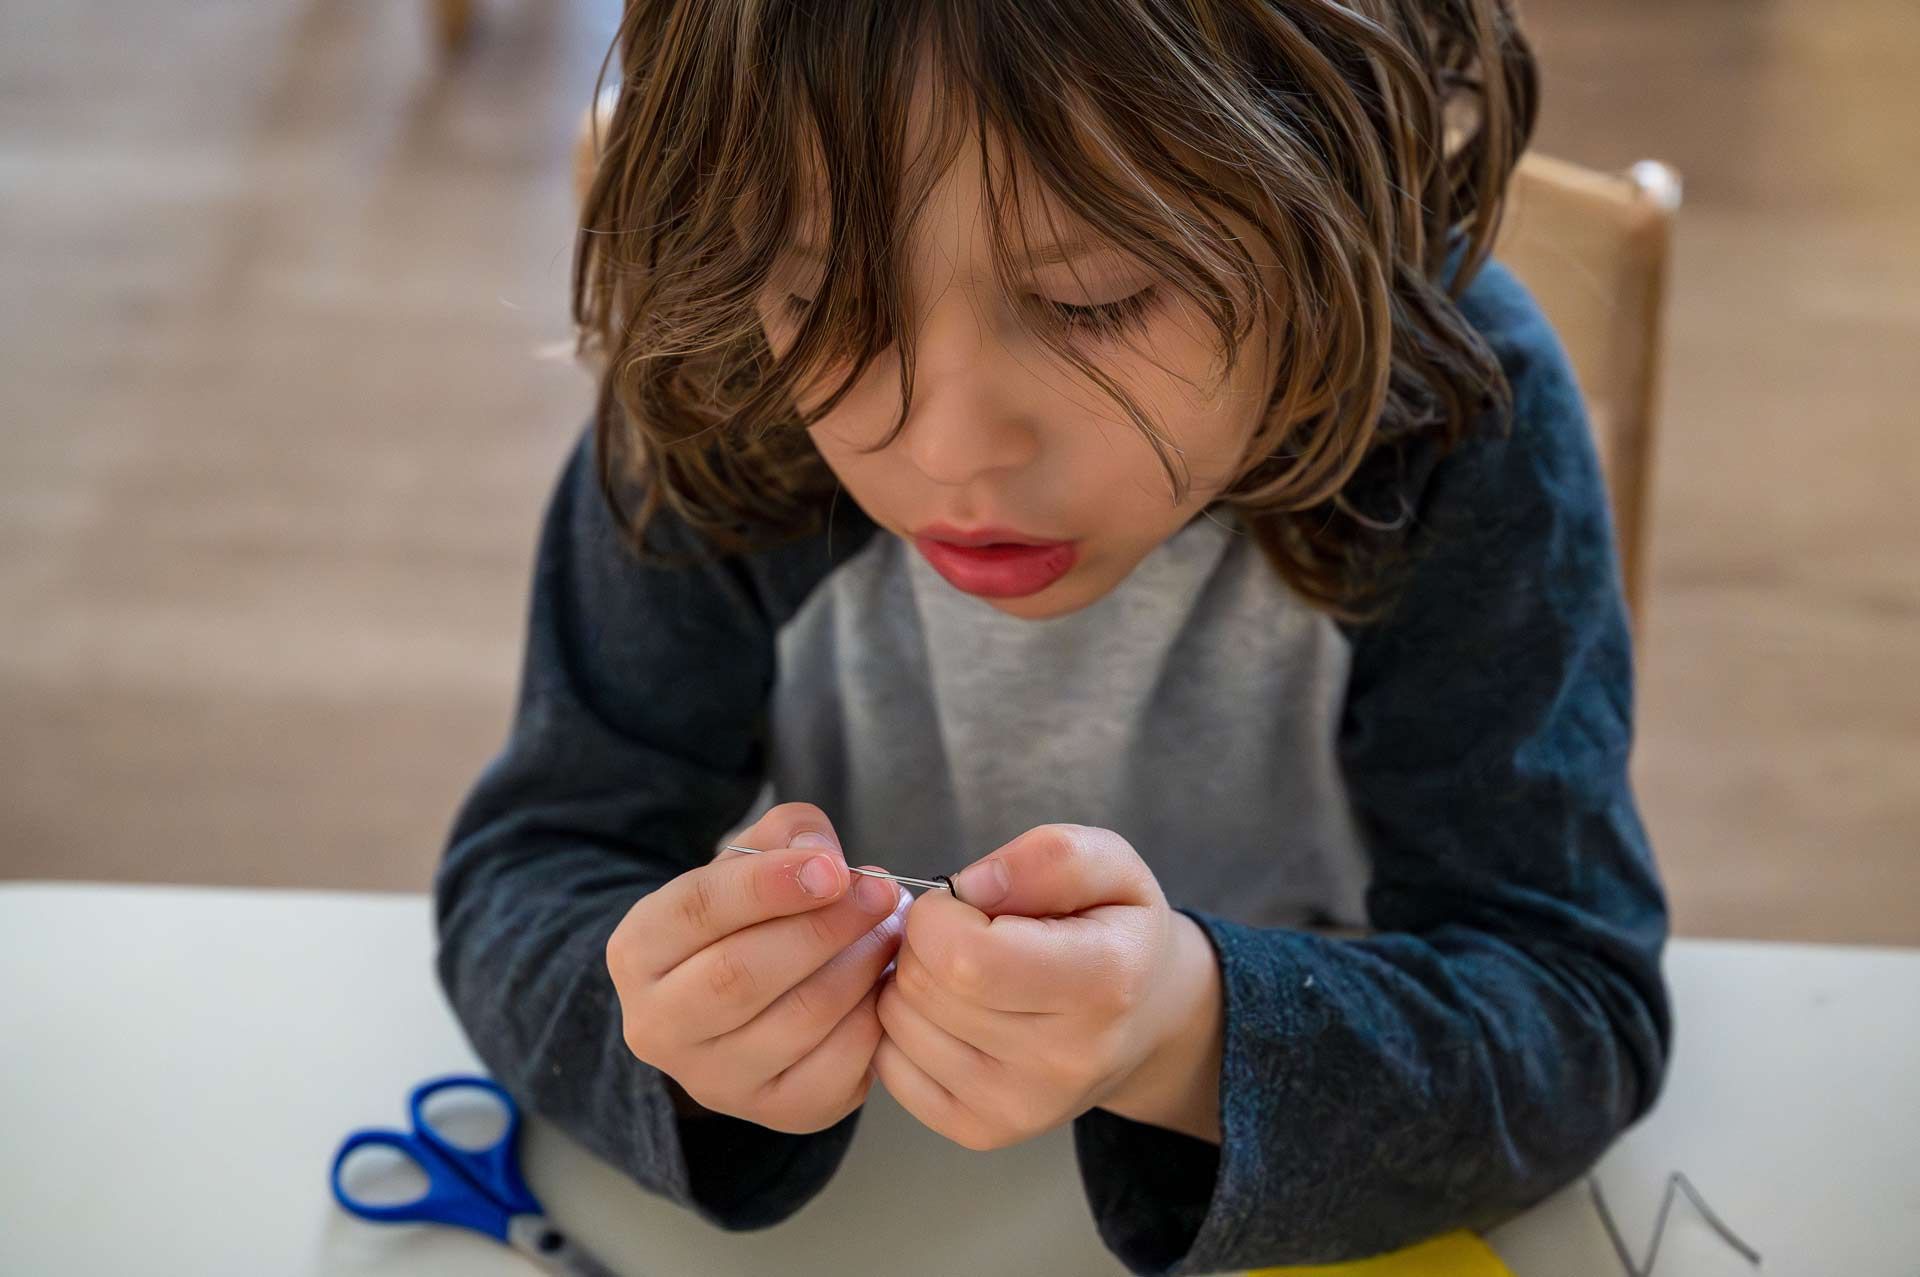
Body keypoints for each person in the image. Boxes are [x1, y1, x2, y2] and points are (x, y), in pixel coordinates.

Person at [432, 1, 1672, 1272]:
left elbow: (1573, 1012)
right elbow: (527, 877)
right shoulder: (717, 410)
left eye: (1094, 301)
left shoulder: (1460, 425)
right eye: (819, 297)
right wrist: (675, 1038)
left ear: (1333, 199)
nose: (949, 447)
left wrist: (1188, 1035)